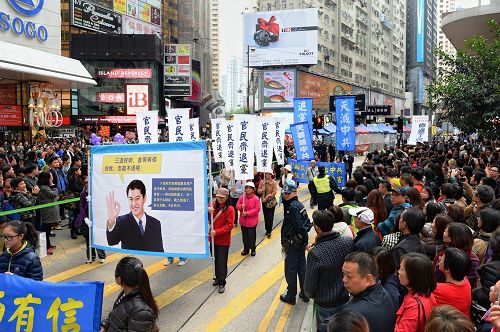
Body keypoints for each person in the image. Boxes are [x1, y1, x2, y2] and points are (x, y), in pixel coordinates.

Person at [321, 252, 396, 332]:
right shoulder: (384, 294)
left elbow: (324, 328)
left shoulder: (355, 314)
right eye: (343, 274)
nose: (344, 280)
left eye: (349, 276)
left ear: (368, 279)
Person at [304, 210, 353, 325]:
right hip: (345, 298)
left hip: (325, 304)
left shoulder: (315, 253)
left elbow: (309, 288)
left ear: (317, 228)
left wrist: (311, 295)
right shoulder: (347, 242)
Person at [100, 257, 159, 332]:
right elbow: (118, 315)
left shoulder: (141, 311)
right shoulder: (126, 293)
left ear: (119, 279)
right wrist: (104, 326)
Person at [106, 179, 163, 252]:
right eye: (131, 199)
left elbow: (160, 250)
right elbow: (111, 241)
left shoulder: (155, 223)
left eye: (137, 198)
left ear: (144, 198)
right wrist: (111, 220)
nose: (133, 203)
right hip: (130, 262)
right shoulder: (122, 221)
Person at [280, 180, 309, 305]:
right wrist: (304, 239)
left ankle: (291, 296)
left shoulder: (292, 208)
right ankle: (305, 293)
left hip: (293, 243)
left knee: (291, 270)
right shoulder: (299, 205)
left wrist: (301, 238)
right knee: (302, 269)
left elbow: (299, 227)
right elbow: (307, 224)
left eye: (288, 193)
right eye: (285, 193)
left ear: (294, 192)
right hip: (300, 243)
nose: (286, 195)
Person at [395, 253, 437, 332]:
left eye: (401, 269)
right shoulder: (427, 294)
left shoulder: (414, 307)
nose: (398, 272)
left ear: (413, 275)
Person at [434, 223, 479, 288]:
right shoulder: (474, 257)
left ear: (452, 238)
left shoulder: (444, 257)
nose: (443, 233)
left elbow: (437, 279)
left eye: (445, 232)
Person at [207, 188, 234, 293]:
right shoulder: (213, 205)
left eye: (222, 197)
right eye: (218, 196)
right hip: (213, 239)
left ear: (226, 197)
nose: (219, 199)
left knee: (222, 262)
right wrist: (208, 210)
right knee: (215, 260)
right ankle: (217, 278)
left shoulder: (230, 209)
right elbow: (207, 215)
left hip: (223, 240)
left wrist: (217, 232)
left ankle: (222, 282)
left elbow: (229, 226)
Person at [433, 247, 472, 318]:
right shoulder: (466, 281)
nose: (440, 258)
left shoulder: (437, 289)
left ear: (448, 269)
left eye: (443, 258)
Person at [76, 176, 106, 263]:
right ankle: (91, 256)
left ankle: (102, 255)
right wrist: (85, 218)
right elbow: (81, 207)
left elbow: (101, 205)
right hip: (87, 218)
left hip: (97, 217)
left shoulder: (97, 193)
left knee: (97, 237)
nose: (87, 185)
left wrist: (93, 201)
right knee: (88, 238)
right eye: (86, 183)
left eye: (89, 183)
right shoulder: (83, 194)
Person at [36, 172, 59, 255]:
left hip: (50, 210)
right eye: (51, 176)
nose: (52, 177)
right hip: (47, 211)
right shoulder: (44, 188)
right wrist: (54, 187)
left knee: (48, 229)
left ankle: (48, 245)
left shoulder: (46, 187)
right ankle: (44, 247)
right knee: (45, 230)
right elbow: (54, 194)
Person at [236, 182, 261, 256]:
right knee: (245, 236)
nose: (248, 189)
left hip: (252, 222)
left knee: (251, 236)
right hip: (243, 221)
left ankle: (253, 249)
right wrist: (241, 206)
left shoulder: (256, 199)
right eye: (246, 188)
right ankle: (246, 249)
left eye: (250, 188)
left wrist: (247, 213)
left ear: (253, 190)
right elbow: (237, 205)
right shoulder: (242, 197)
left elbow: (257, 209)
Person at [257, 171, 278, 238]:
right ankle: (267, 229)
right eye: (266, 174)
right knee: (265, 216)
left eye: (269, 174)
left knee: (270, 216)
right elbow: (258, 191)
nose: (267, 175)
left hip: (270, 202)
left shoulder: (274, 183)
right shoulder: (262, 182)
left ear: (271, 175)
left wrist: (267, 197)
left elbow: (274, 192)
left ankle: (269, 231)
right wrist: (261, 190)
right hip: (263, 202)